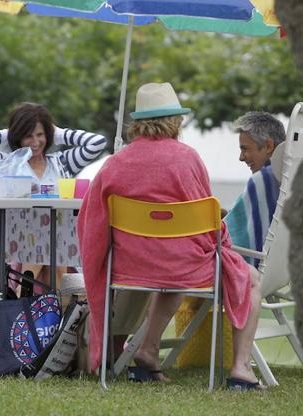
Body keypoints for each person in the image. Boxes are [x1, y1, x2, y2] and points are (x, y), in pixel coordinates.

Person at [78, 83, 263, 390]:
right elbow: (206, 221)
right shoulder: (187, 158)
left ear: (138, 122)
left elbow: (91, 219)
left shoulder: (115, 162)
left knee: (174, 265)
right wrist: (223, 243)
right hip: (182, 264)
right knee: (250, 278)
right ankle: (241, 368)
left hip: (130, 266)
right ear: (175, 121)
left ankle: (147, 351)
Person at [0, 103, 107, 293]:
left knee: (50, 249)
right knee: (45, 250)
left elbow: (97, 142)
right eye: (28, 135)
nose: (35, 142)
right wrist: (9, 132)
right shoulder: (4, 163)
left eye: (40, 135)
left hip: (58, 241)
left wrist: (58, 133)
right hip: (16, 246)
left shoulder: (62, 162)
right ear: (18, 137)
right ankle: (44, 307)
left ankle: (34, 303)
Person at [224, 112, 286, 265]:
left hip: (248, 270)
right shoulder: (287, 178)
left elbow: (233, 238)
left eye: (245, 149)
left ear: (268, 146)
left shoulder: (263, 180)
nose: (241, 157)